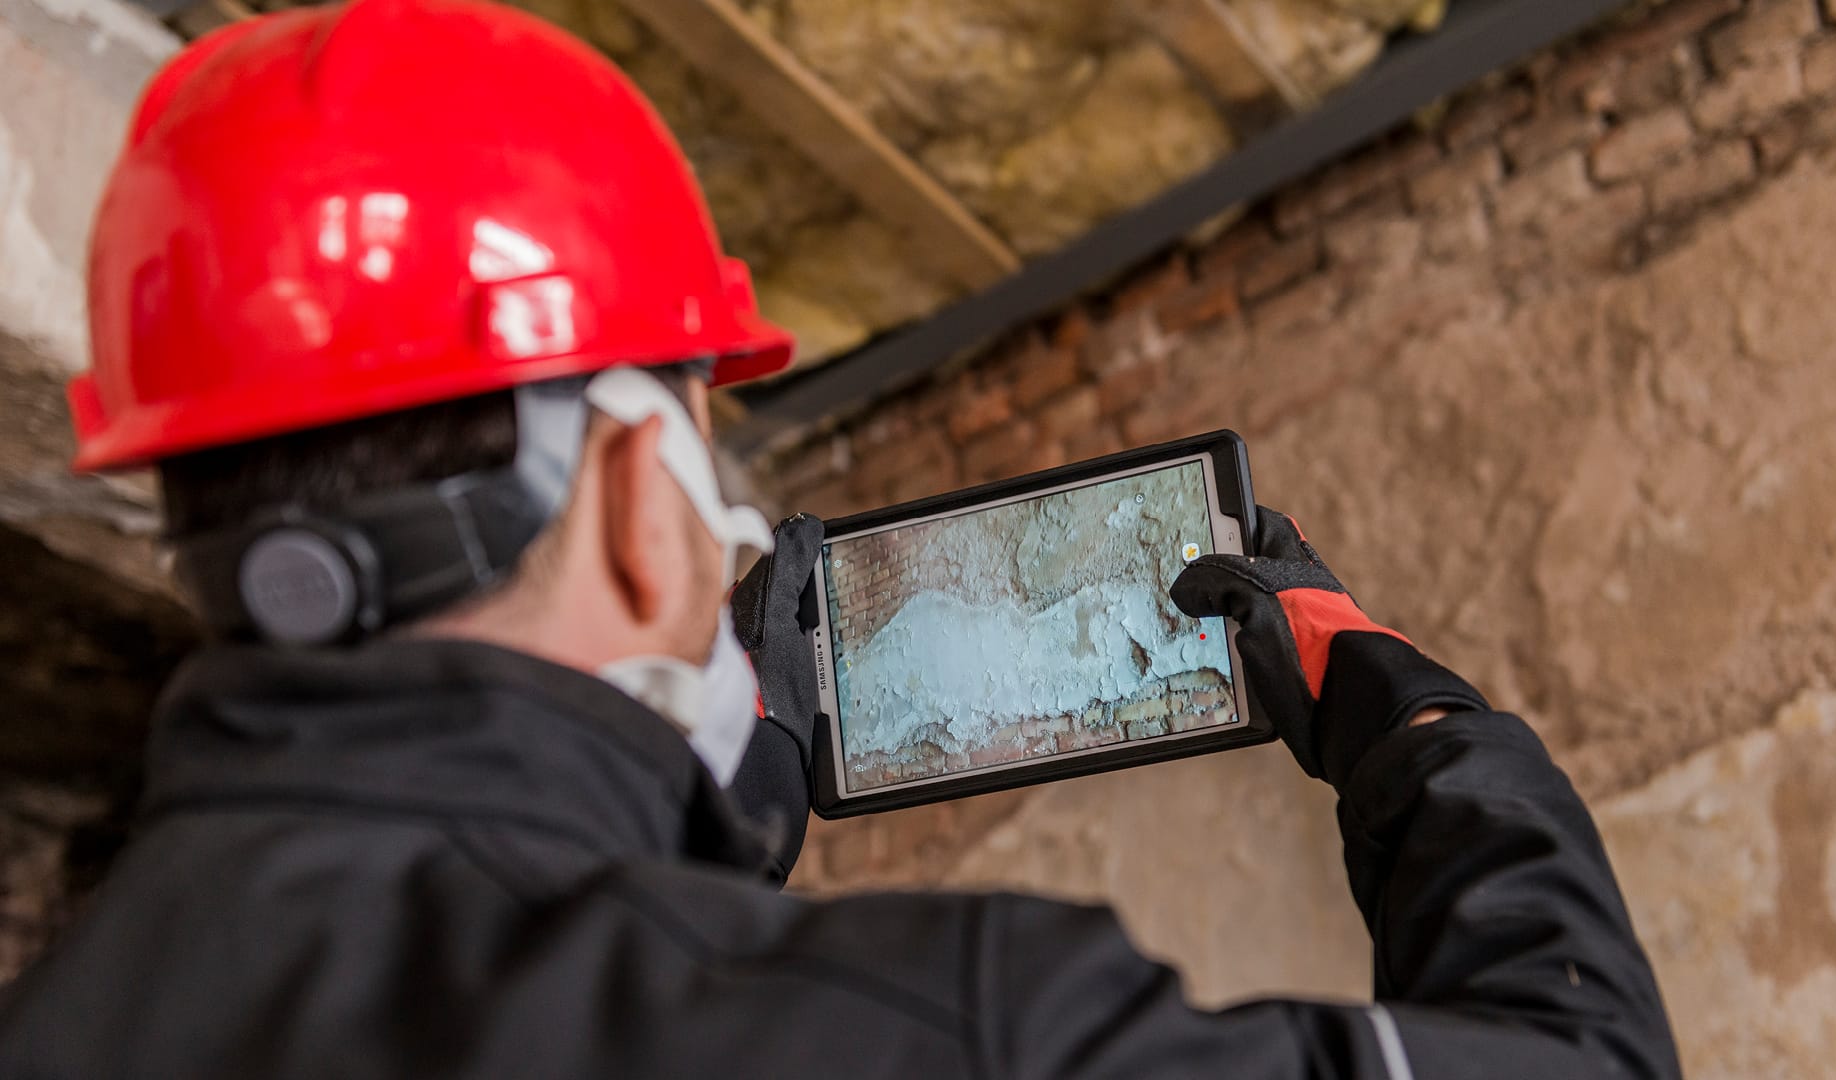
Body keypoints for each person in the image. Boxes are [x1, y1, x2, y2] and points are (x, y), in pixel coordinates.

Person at [0, 0, 1682, 1076]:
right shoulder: (950, 1029)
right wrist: (1421, 730)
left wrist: (715, 797)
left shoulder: (73, 1010)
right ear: (630, 506)